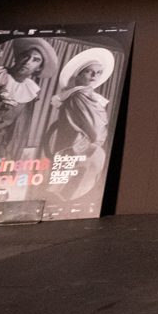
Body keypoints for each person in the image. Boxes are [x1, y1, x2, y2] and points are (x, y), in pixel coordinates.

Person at [43, 48, 116, 203]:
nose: (94, 75)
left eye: (98, 72)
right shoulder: (80, 96)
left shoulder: (85, 96)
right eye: (89, 71)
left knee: (69, 192)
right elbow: (96, 129)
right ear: (78, 75)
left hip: (75, 150)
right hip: (82, 152)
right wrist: (97, 143)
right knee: (72, 194)